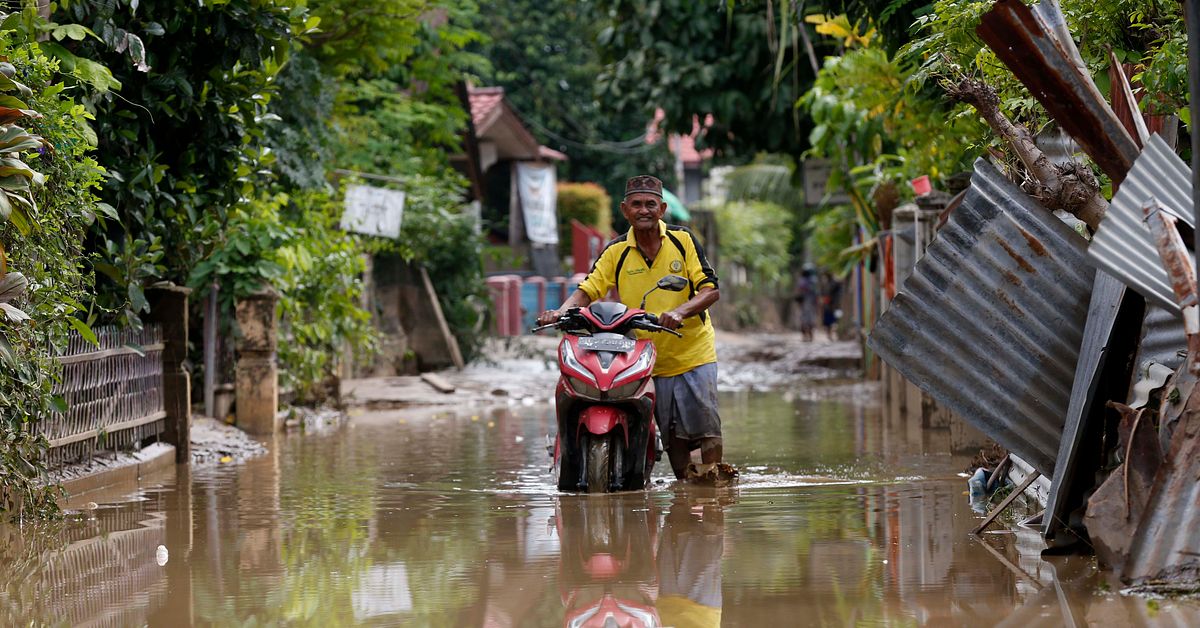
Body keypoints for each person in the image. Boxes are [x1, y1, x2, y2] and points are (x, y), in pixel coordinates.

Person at [537, 174, 722, 479]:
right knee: (673, 437)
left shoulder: (683, 240)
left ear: (662, 209)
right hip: (647, 358)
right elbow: (588, 289)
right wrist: (559, 312)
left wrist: (679, 311)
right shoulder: (616, 250)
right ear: (625, 210)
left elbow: (710, 289)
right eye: (636, 204)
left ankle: (713, 486)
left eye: (651, 204)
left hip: (693, 353)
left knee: (707, 431)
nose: (644, 210)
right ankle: (687, 491)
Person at [792, 265, 817, 342]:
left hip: (805, 302)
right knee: (810, 319)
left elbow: (799, 291)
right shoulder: (813, 280)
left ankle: (805, 336)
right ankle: (810, 335)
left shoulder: (802, 281)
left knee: (804, 319)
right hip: (809, 302)